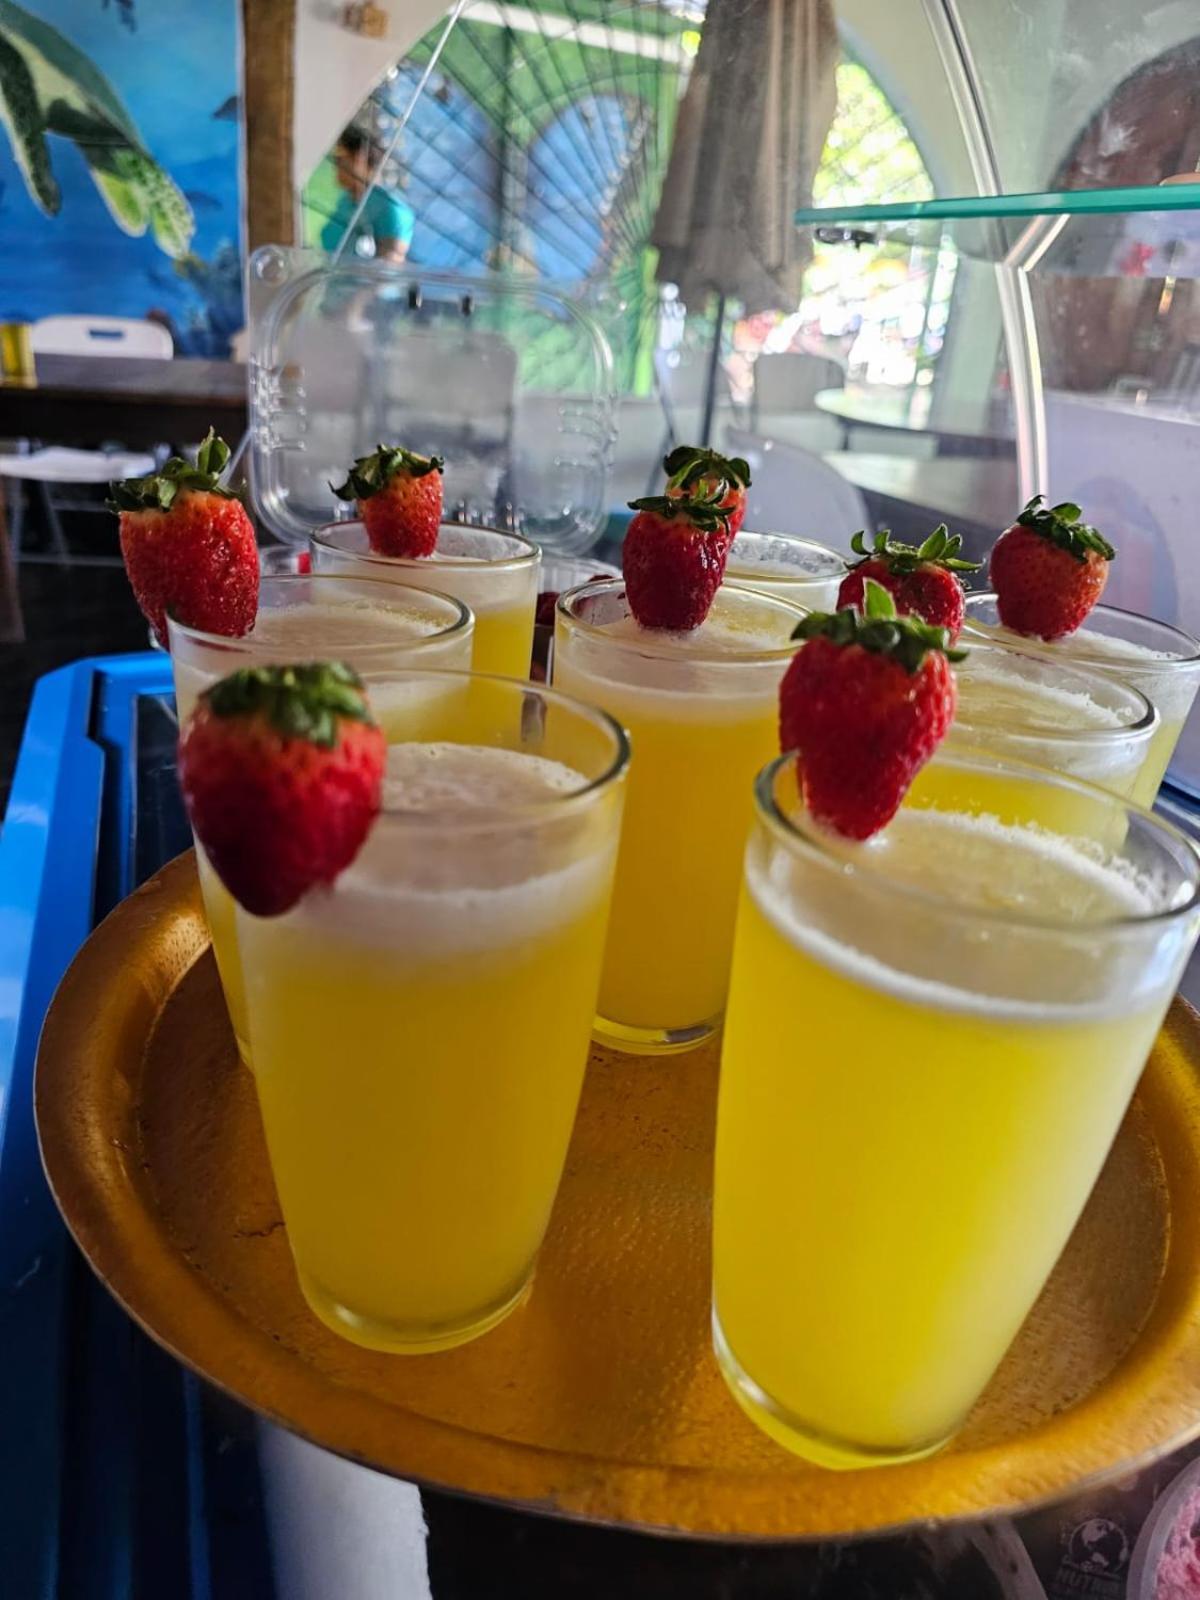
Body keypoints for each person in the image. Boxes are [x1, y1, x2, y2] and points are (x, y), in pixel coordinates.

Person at [320, 126, 414, 263]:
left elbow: (388, 269)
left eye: (339, 158)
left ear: (359, 158)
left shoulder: (391, 208)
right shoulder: (345, 201)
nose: (335, 166)